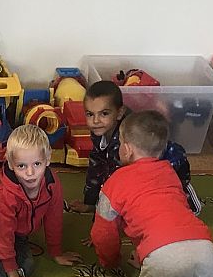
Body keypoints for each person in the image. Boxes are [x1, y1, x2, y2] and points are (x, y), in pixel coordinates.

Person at [90, 110, 213, 277]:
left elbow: (103, 232)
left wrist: (109, 260)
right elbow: (167, 214)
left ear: (127, 149)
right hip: (204, 248)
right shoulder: (169, 172)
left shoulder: (115, 182)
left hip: (162, 256)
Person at [69, 80, 199, 214]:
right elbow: (97, 166)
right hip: (140, 172)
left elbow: (117, 181)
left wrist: (103, 214)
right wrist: (90, 202)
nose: (95, 121)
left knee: (167, 206)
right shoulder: (100, 131)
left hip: (169, 168)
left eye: (104, 114)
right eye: (90, 114)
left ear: (119, 113)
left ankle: (189, 204)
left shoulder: (126, 139)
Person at [0, 124, 81, 277]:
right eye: (21, 166)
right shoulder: (5, 196)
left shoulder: (52, 184)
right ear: (10, 164)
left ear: (48, 159)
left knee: (27, 267)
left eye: (37, 163)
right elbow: (3, 235)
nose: (30, 173)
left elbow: (54, 219)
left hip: (18, 234)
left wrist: (56, 252)